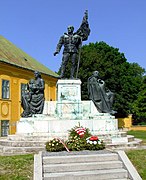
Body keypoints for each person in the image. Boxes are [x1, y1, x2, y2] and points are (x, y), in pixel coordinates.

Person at [54, 10, 90, 79]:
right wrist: (57, 50)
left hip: (74, 51)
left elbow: (83, 40)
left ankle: (72, 76)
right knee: (64, 62)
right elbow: (59, 44)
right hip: (66, 50)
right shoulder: (64, 36)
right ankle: (62, 75)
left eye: (70, 28)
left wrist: (81, 40)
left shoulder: (77, 36)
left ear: (73, 29)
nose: (69, 29)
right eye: (68, 28)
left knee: (73, 63)